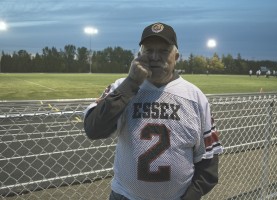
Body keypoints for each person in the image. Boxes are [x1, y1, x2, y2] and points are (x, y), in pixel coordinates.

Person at [84, 22, 223, 200]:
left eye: (164, 51)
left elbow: (208, 163)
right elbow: (94, 129)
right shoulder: (121, 87)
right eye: (149, 50)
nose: (155, 57)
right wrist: (131, 83)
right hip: (125, 196)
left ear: (177, 56)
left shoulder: (195, 97)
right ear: (140, 54)